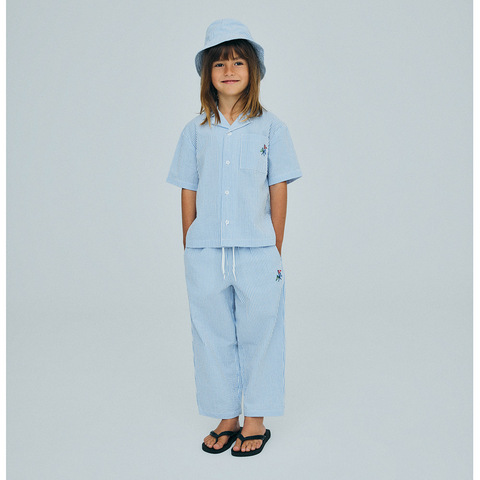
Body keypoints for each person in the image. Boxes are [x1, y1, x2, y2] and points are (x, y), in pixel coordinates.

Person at [166, 18, 302, 457]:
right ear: (207, 73)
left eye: (238, 62)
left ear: (253, 71)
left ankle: (256, 417)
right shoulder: (195, 131)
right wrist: (190, 243)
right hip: (206, 251)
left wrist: (274, 244)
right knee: (211, 334)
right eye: (219, 62)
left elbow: (278, 187)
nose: (229, 70)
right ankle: (226, 414)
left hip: (258, 250)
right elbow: (188, 188)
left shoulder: (271, 128)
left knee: (262, 332)